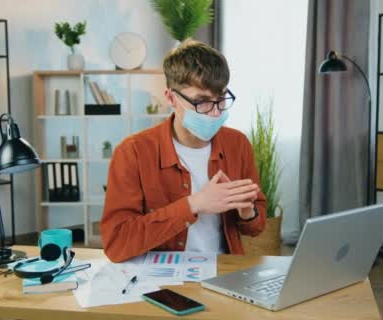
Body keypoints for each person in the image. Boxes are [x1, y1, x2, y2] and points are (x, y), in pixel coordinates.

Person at [101, 40, 266, 262]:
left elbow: (255, 228)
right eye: (202, 102)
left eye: (221, 99)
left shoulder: (238, 144)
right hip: (158, 275)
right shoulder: (133, 153)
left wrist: (248, 212)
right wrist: (193, 204)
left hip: (221, 271)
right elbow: (117, 244)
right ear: (171, 98)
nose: (215, 113)